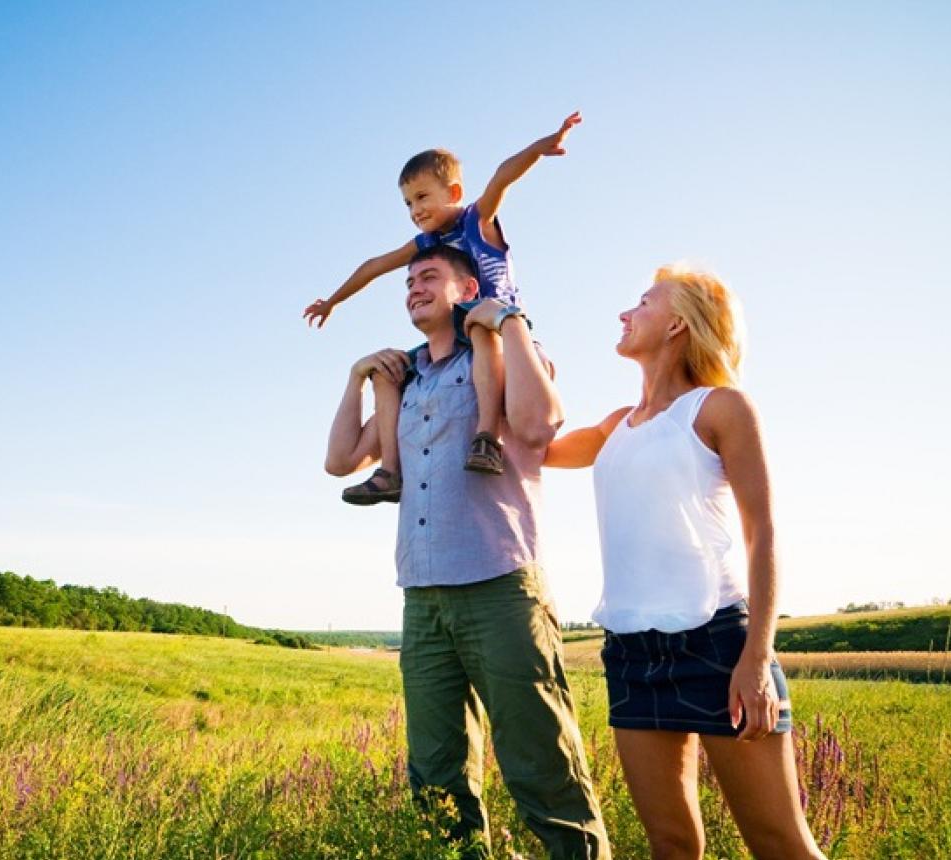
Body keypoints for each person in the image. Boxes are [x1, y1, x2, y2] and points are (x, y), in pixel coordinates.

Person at [324, 244, 609, 860]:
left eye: (428, 276)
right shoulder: (405, 383)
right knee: (436, 775)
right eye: (406, 283)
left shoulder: (502, 357)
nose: (412, 289)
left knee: (541, 762)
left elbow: (539, 427)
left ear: (466, 288)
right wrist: (355, 377)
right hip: (422, 598)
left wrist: (507, 322)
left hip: (500, 586)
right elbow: (341, 459)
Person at [544, 264, 825, 860]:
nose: (625, 313)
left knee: (780, 844)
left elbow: (764, 532)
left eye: (642, 303)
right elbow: (531, 446)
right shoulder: (615, 426)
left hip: (718, 645)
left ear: (677, 323)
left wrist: (756, 658)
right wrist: (513, 343)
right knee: (671, 845)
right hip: (630, 652)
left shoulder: (720, 409)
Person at [307, 111, 582, 504]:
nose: (415, 210)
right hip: (454, 336)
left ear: (452, 193)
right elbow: (374, 266)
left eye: (422, 197)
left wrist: (539, 148)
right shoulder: (425, 245)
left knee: (478, 326)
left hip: (496, 325)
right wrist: (334, 300)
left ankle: (485, 436)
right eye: (407, 203)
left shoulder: (476, 221)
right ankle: (391, 472)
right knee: (388, 372)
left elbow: (502, 176)